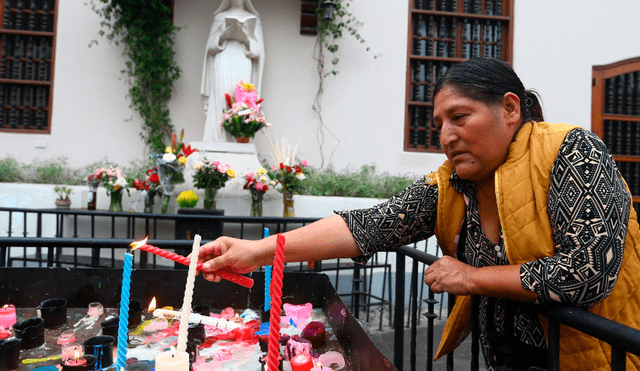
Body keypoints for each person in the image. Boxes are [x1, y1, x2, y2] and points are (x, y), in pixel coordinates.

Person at [197, 58, 640, 371]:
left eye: (460, 117)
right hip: (510, 358)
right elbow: (369, 225)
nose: (446, 137)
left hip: (603, 355)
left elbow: (587, 271)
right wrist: (256, 251)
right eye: (439, 126)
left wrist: (471, 277)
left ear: (509, 108)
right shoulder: (452, 184)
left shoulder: (572, 151)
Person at [200, 0, 264, 142]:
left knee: (239, 99)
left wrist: (246, 38)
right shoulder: (220, 17)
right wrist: (222, 36)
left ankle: (238, 138)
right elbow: (209, 48)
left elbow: (258, 52)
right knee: (221, 96)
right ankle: (216, 139)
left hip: (243, 61)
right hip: (223, 59)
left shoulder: (254, 19)